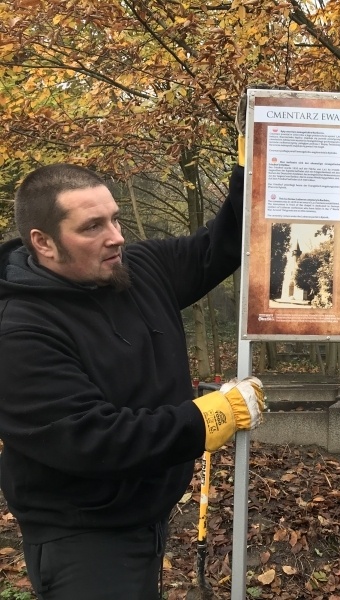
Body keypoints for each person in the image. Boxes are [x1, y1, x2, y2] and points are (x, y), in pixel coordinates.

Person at [0, 116, 264, 599]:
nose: (116, 236)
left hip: (145, 516)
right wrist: (206, 419)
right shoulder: (20, 331)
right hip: (84, 538)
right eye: (93, 227)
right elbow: (92, 438)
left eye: (116, 218)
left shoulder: (137, 268)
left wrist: (255, 169)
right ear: (43, 242)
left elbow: (219, 246)